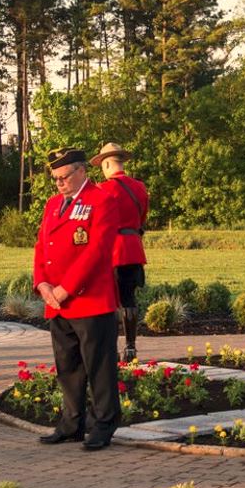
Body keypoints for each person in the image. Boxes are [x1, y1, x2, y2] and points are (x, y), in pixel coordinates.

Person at [32, 147, 121, 451]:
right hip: (57, 302)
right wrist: (42, 283)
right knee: (67, 367)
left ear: (82, 171)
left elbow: (97, 252)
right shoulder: (53, 204)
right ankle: (72, 423)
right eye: (55, 178)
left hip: (89, 299)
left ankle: (103, 424)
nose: (59, 183)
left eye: (64, 177)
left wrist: (66, 288)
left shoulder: (102, 200)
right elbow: (42, 246)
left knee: (98, 366)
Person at [90, 142, 148, 364]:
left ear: (106, 164)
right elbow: (142, 220)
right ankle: (131, 347)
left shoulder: (103, 189)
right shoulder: (140, 187)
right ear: (121, 162)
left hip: (112, 250)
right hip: (134, 248)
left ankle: (110, 349)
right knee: (129, 299)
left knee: (110, 302)